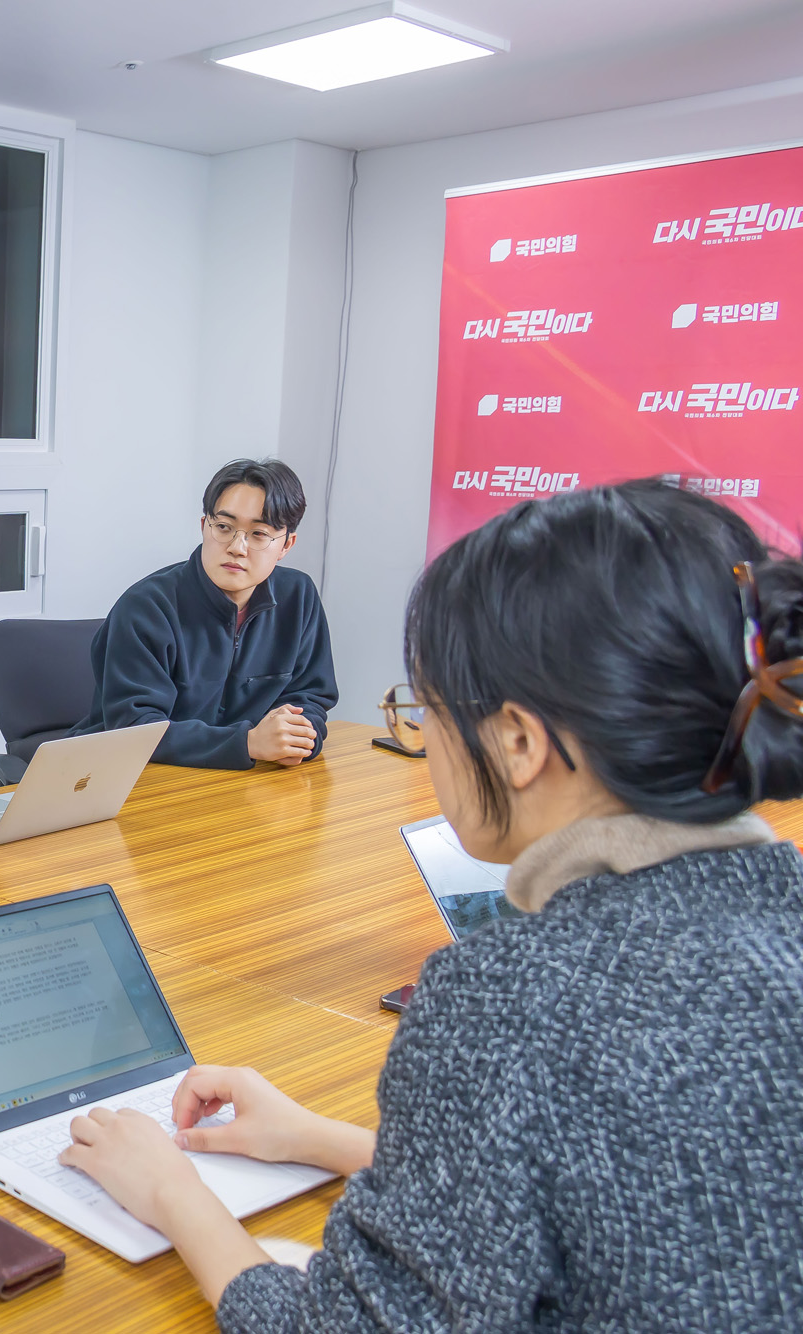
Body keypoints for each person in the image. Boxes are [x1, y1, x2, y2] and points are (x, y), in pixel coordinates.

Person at [57, 479, 803, 1329]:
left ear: (518, 744)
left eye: (430, 710)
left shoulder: (506, 998)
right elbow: (645, 1188)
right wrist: (319, 1139)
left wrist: (172, 1192)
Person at [72, 458, 336, 768]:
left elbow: (311, 697)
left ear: (286, 545)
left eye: (259, 534)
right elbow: (134, 729)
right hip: (140, 780)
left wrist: (300, 737)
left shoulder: (299, 596)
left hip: (244, 782)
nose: (238, 547)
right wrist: (247, 743)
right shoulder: (146, 607)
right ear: (204, 527)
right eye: (224, 527)